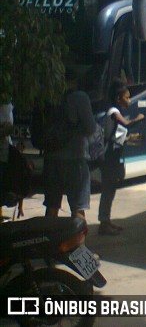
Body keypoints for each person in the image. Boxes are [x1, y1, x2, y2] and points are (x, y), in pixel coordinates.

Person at [43, 70, 96, 220]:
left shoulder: (47, 97)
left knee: (52, 206)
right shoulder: (80, 97)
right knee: (78, 207)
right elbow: (91, 128)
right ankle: (78, 243)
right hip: (75, 159)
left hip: (51, 158)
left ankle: (49, 241)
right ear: (74, 80)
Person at [98, 78, 144, 235]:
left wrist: (129, 139)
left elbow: (116, 137)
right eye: (127, 97)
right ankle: (103, 223)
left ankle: (106, 221)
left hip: (114, 158)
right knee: (107, 191)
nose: (129, 100)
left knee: (110, 191)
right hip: (109, 159)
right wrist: (138, 118)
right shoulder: (113, 112)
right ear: (118, 98)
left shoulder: (114, 112)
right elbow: (126, 123)